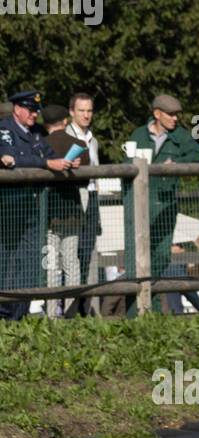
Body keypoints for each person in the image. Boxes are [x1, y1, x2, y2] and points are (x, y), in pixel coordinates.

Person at [0, 91, 76, 320]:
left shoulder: (35, 133)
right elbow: (8, 158)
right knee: (6, 262)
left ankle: (17, 316)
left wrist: (67, 160)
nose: (35, 115)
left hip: (29, 208)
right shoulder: (4, 130)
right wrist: (45, 163)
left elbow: (49, 153)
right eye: (31, 110)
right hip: (7, 207)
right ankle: (4, 314)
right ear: (17, 109)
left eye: (36, 111)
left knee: (31, 261)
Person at [128, 94, 199, 303]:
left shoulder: (182, 135)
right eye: (170, 114)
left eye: (177, 114)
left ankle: (148, 302)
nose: (175, 118)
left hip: (165, 204)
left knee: (161, 256)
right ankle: (135, 308)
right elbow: (126, 160)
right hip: (138, 204)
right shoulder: (137, 134)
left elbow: (198, 156)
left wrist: (176, 163)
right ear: (157, 114)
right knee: (137, 258)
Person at [41, 104, 85, 317]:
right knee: (72, 264)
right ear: (65, 121)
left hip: (46, 215)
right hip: (72, 211)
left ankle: (51, 314)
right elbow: (86, 181)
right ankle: (71, 312)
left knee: (50, 265)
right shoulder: (78, 144)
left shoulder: (39, 145)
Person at [65, 92, 102, 316]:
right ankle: (69, 310)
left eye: (89, 111)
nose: (86, 115)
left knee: (90, 255)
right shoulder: (64, 136)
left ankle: (89, 310)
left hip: (93, 199)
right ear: (72, 112)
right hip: (73, 202)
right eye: (82, 111)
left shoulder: (93, 139)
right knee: (71, 257)